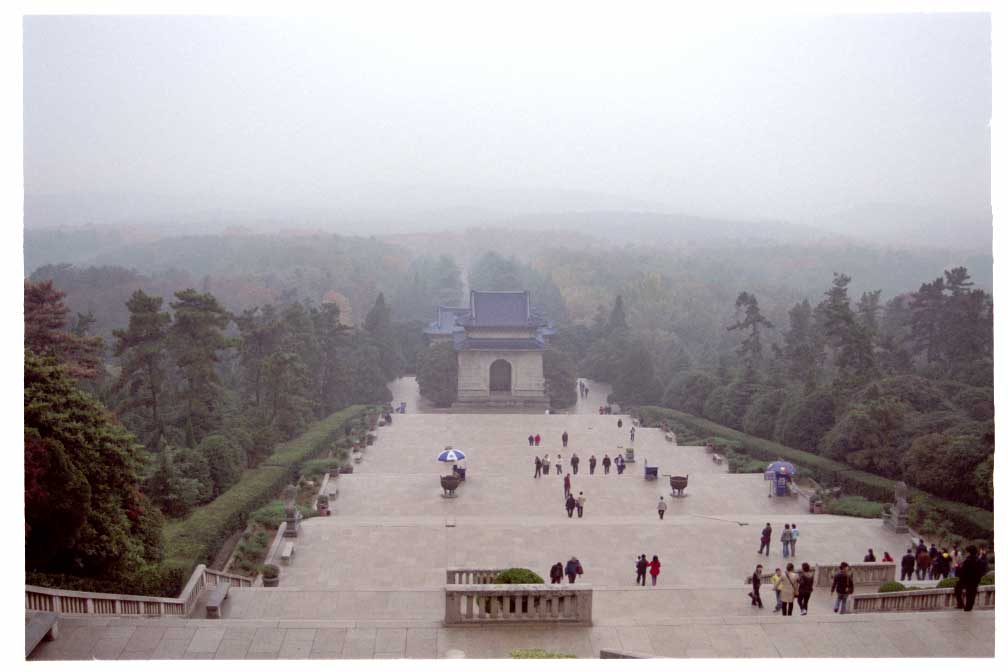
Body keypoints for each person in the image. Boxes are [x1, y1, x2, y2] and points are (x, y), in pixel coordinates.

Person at [955, 546, 984, 611]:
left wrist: (958, 569)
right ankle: (968, 606)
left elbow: (963, 571)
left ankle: (962, 605)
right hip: (975, 580)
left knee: (958, 589)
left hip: (966, 580)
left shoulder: (967, 561)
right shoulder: (979, 560)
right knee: (972, 593)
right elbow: (981, 571)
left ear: (969, 552)